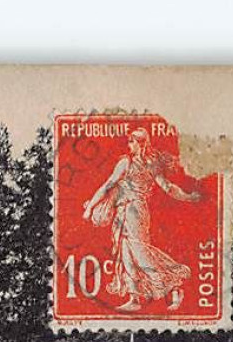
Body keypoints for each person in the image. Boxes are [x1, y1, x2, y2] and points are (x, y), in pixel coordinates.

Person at [82, 127, 203, 313]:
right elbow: (109, 185)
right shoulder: (127, 162)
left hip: (135, 210)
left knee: (140, 253)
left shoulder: (142, 164)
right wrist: (91, 206)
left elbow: (168, 187)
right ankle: (134, 297)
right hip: (123, 211)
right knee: (125, 254)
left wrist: (188, 197)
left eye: (132, 141)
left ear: (141, 143)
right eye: (129, 141)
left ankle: (173, 288)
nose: (129, 145)